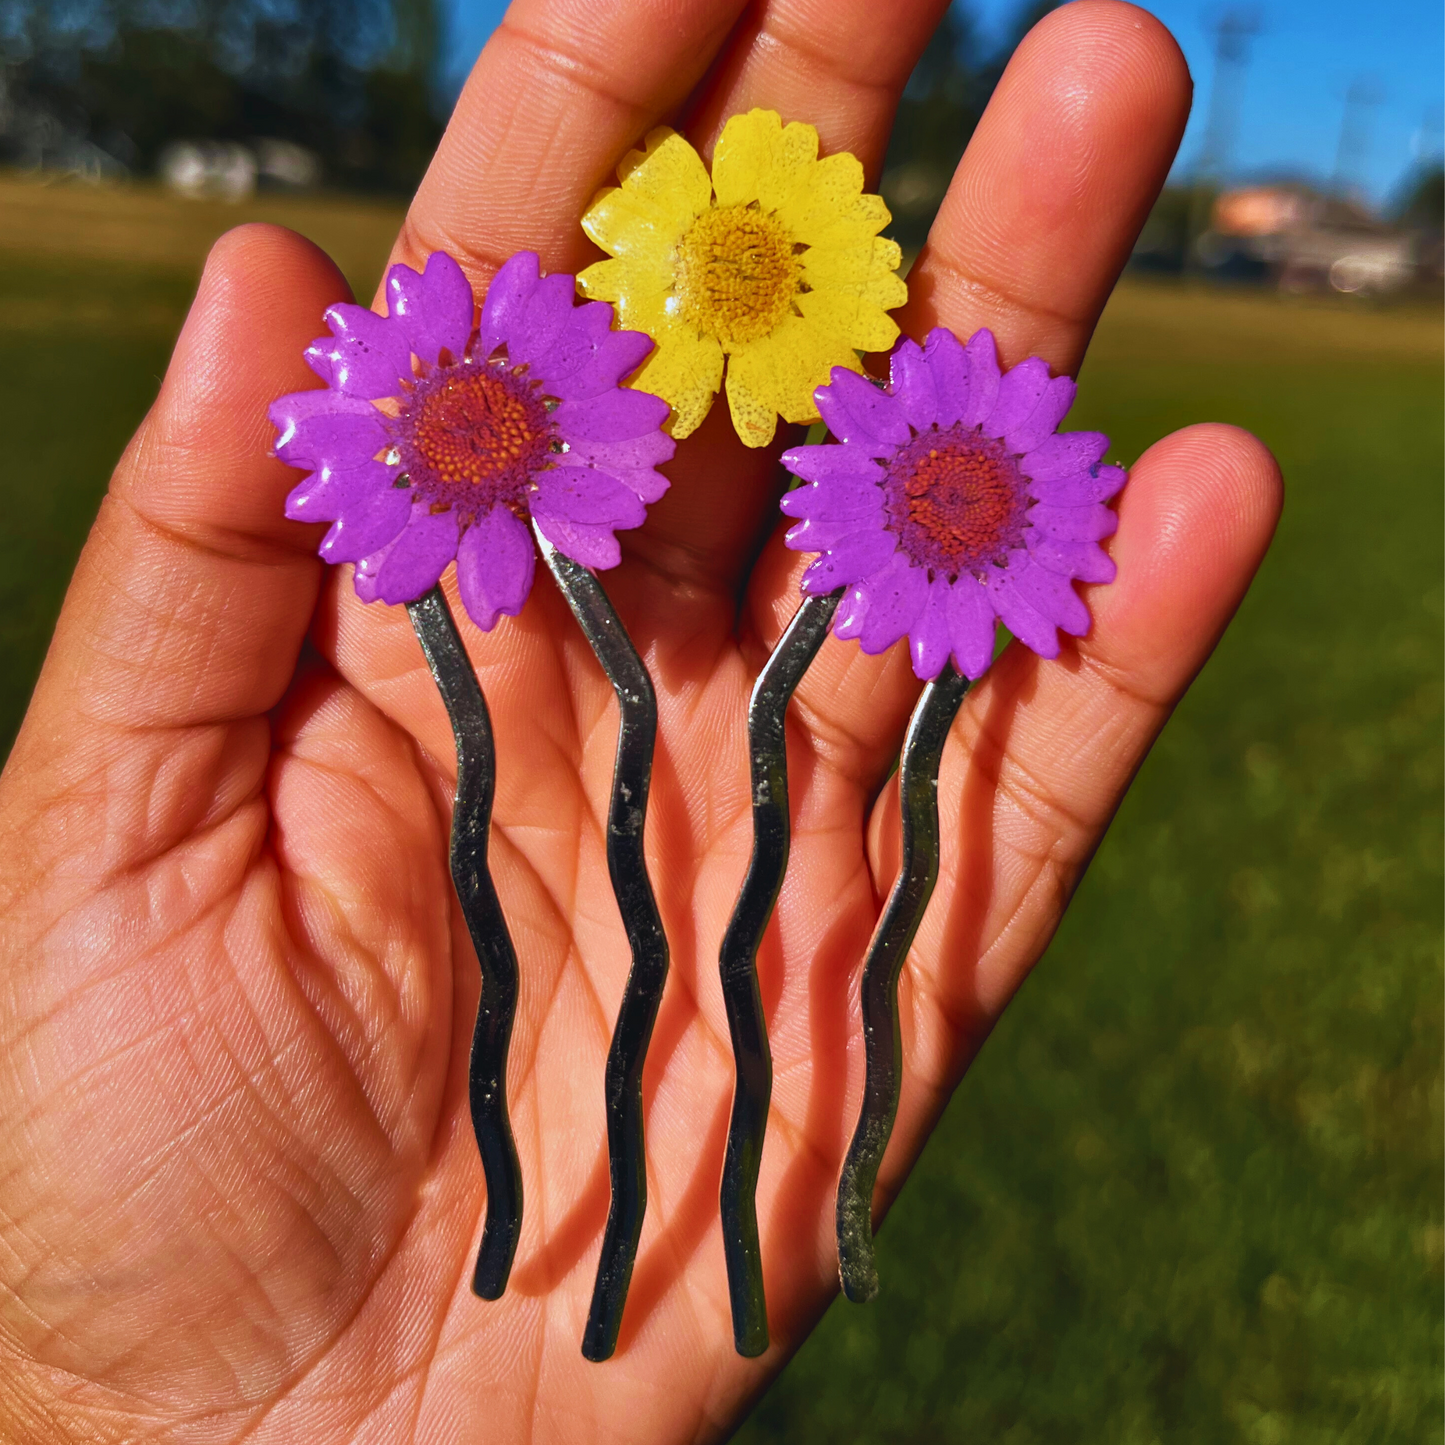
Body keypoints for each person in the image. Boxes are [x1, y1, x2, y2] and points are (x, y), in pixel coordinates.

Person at [0, 0, 1281, 1438]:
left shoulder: (870, 464)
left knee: (772, 883)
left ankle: (698, 1244)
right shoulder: (475, 430)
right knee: (633, 874)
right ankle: (592, 1250)